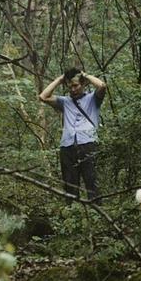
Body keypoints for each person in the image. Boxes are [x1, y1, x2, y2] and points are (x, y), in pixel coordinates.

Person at [39, 68, 106, 202]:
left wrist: (85, 75)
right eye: (70, 87)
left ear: (83, 84)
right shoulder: (65, 102)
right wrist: (59, 79)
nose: (73, 89)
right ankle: (72, 212)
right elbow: (43, 96)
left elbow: (102, 86)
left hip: (88, 144)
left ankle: (96, 211)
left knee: (91, 181)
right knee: (70, 184)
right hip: (67, 146)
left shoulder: (93, 99)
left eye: (76, 85)